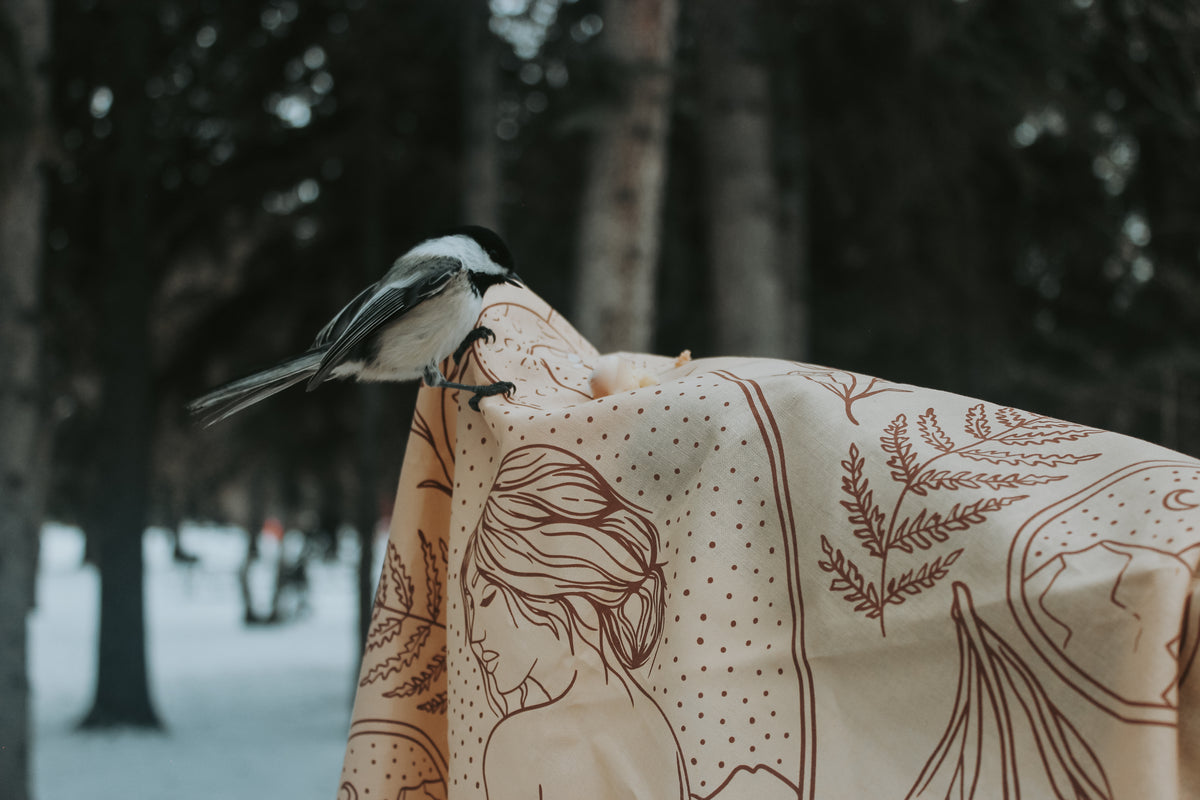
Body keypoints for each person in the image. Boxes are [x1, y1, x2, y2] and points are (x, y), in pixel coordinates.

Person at [460, 445, 689, 800]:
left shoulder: (520, 740)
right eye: (471, 606)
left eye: (488, 598)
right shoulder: (658, 724)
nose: (473, 635)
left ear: (557, 580)